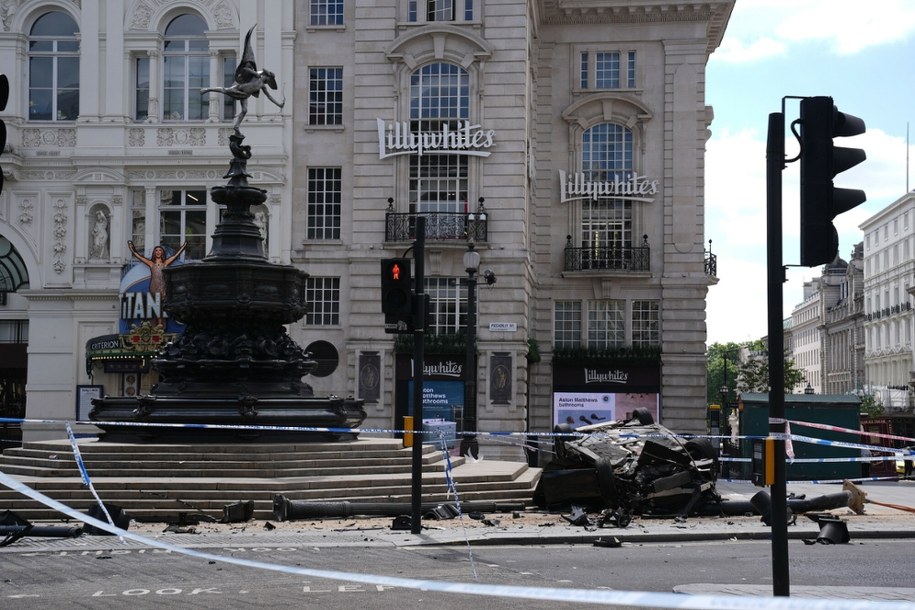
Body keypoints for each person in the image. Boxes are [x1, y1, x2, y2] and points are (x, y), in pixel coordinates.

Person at [200, 25, 285, 134]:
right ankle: (207, 89)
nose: (269, 81)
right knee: (224, 90)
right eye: (269, 79)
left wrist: (279, 104)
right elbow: (245, 68)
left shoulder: (262, 86)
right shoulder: (256, 75)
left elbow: (269, 97)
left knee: (244, 110)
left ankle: (236, 126)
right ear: (267, 76)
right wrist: (255, 72)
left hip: (244, 95)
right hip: (239, 88)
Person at [127, 241, 187, 327]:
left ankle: (161, 324)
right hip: (154, 287)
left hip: (163, 287)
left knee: (162, 306)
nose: (158, 252)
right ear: (154, 253)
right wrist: (132, 249)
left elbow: (175, 256)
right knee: (156, 307)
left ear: (162, 252)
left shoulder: (165, 263)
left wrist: (183, 246)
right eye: (156, 250)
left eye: (160, 250)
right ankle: (156, 324)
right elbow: (139, 257)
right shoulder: (151, 264)